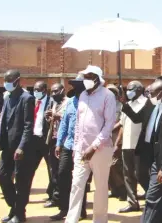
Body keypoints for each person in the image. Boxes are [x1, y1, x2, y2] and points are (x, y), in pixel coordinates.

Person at [120, 80, 162, 223]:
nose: (148, 95)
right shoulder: (155, 105)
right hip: (156, 160)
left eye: (151, 93)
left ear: (161, 93)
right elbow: (139, 120)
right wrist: (124, 103)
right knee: (152, 199)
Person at [65, 65, 116, 223]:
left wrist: (93, 147)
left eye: (89, 76)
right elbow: (79, 124)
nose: (85, 79)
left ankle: (100, 220)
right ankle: (71, 219)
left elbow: (109, 125)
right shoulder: (82, 96)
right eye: (84, 76)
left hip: (100, 150)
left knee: (100, 188)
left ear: (97, 78)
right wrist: (76, 147)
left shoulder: (108, 95)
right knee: (76, 185)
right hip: (81, 150)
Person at [0, 70, 35, 223]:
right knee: (2, 175)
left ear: (17, 81)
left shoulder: (27, 98)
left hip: (21, 149)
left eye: (9, 80)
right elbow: (3, 121)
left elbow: (29, 126)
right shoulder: (8, 97)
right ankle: (15, 207)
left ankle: (19, 214)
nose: (6, 83)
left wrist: (22, 146)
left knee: (21, 181)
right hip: (7, 146)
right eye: (5, 80)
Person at [49, 75, 87, 221]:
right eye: (75, 86)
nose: (77, 89)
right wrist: (59, 143)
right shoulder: (71, 102)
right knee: (62, 174)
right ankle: (64, 209)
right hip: (68, 144)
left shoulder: (89, 103)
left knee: (79, 179)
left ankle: (81, 210)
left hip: (82, 147)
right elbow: (64, 124)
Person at [117, 81, 148, 213]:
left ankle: (157, 198)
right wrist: (117, 143)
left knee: (141, 174)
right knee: (128, 175)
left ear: (139, 90)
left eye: (131, 89)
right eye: (127, 89)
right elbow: (123, 125)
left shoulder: (147, 103)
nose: (128, 91)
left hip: (140, 146)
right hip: (127, 145)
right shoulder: (127, 105)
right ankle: (133, 202)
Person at [44, 83, 68, 208]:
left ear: (63, 90)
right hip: (53, 140)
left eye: (56, 91)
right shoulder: (53, 103)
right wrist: (49, 118)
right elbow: (52, 121)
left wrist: (59, 116)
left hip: (64, 142)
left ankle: (63, 199)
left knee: (62, 171)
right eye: (52, 92)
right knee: (53, 170)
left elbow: (73, 118)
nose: (53, 94)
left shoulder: (69, 103)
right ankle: (55, 197)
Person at [30, 81, 52, 204]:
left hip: (46, 141)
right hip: (34, 140)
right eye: (34, 89)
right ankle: (24, 192)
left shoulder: (51, 102)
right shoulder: (31, 102)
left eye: (38, 89)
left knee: (51, 169)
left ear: (44, 90)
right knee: (29, 168)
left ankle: (52, 195)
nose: (36, 92)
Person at [106, 84, 126, 201]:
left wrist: (111, 128)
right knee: (107, 166)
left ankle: (123, 190)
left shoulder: (121, 106)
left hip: (115, 135)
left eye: (113, 92)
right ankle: (113, 189)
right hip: (104, 138)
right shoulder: (103, 105)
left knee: (116, 164)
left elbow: (122, 121)